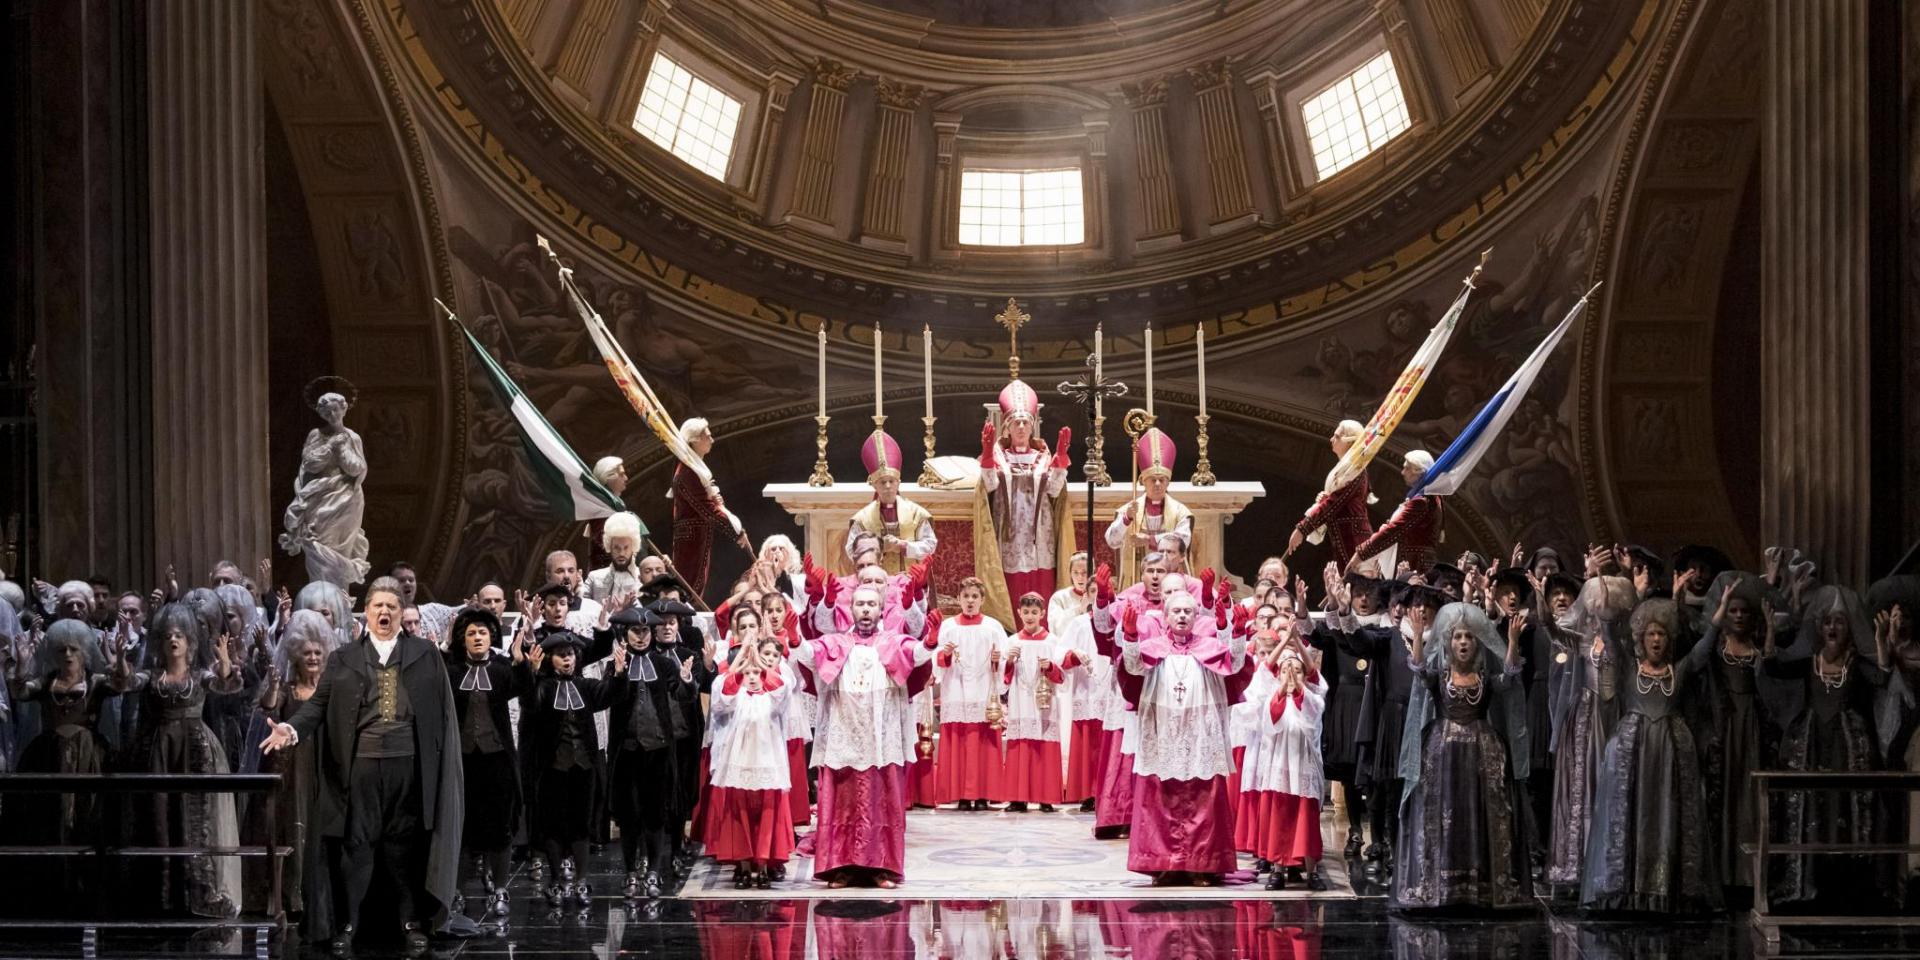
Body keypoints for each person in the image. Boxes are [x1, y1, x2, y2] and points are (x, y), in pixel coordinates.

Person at [259, 579, 466, 955]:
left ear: (402, 613)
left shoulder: (424, 654)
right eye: (377, 607)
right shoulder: (344, 657)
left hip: (408, 765)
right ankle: (348, 923)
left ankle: (410, 922)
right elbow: (319, 705)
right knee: (357, 845)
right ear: (366, 613)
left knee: (403, 847)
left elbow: (441, 715)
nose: (384, 612)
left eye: (391, 606)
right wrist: (291, 728)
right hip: (361, 767)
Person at [1580, 598, 1721, 913]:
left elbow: (1701, 653)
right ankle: (1625, 889)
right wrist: (1605, 619)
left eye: (1662, 634)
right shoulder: (1630, 668)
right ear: (1641, 639)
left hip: (1671, 750)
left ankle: (1666, 887)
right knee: (1630, 812)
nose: (1656, 640)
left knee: (1666, 812)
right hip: (1633, 750)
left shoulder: (1678, 669)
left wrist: (1716, 620)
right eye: (1651, 634)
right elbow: (1613, 645)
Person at [1763, 585, 1899, 909]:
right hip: (1812, 745)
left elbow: (1881, 679)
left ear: (1849, 627)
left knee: (1847, 809)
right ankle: (1809, 883)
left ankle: (1848, 886)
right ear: (1819, 628)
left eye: (1839, 621)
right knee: (1812, 808)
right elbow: (1773, 667)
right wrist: (1769, 632)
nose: (1833, 628)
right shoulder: (1810, 661)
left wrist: (1881, 643)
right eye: (1827, 622)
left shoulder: (1855, 663)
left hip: (1848, 746)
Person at [790, 584, 932, 888]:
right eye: (860, 604)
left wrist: (931, 640)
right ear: (851, 609)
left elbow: (918, 655)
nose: (865, 609)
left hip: (881, 738)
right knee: (842, 803)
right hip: (843, 735)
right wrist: (793, 637)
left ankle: (883, 868)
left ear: (881, 610)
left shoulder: (894, 642)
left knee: (882, 803)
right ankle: (840, 867)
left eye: (871, 604)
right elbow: (808, 654)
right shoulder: (836, 642)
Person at [1392, 602, 1532, 911]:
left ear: (1478, 643)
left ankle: (1479, 885)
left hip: (1482, 754)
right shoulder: (1440, 676)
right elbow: (1419, 672)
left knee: (1478, 813)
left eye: (1469, 636)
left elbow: (1508, 680)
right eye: (1457, 637)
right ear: (1448, 642)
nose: (1463, 642)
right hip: (1443, 755)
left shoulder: (1484, 679)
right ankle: (1442, 884)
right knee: (1446, 814)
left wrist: (1511, 644)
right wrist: (1418, 637)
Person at [112, 603, 245, 919]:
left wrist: (226, 662)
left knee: (197, 816)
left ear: (189, 642)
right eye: (168, 636)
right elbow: (127, 682)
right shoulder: (154, 675)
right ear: (160, 642)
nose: (174, 640)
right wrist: (119, 659)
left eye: (179, 636)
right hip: (159, 751)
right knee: (160, 812)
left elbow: (225, 684)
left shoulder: (199, 675)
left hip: (196, 750)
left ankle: (197, 889)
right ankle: (163, 892)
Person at [1112, 585, 1248, 885]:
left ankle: (1202, 864)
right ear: (1165, 616)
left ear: (1197, 615)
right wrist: (1132, 635)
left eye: (1188, 611)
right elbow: (1133, 666)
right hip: (1163, 731)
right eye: (1176, 611)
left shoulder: (1209, 646)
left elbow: (1235, 665)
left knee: (1202, 798)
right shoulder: (1154, 646)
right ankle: (1164, 864)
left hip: (1201, 731)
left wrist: (1236, 634)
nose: (1183, 615)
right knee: (1162, 797)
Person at [516, 623, 623, 912]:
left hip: (584, 765)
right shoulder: (543, 686)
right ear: (550, 659)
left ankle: (581, 879)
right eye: (561, 655)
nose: (567, 659)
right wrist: (532, 672)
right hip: (552, 767)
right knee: (553, 825)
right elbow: (529, 704)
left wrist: (618, 673)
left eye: (570, 654)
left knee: (581, 825)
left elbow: (607, 695)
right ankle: (555, 879)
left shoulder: (584, 686)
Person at [246, 610, 338, 917]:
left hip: (323, 765)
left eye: (317, 653)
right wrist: (272, 689)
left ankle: (321, 897)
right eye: (306, 653)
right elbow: (270, 707)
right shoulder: (287, 688)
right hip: (290, 770)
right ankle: (290, 897)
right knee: (290, 828)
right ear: (296, 657)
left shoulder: (331, 689)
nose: (312, 658)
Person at [603, 607, 694, 900]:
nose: (641, 637)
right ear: (625, 635)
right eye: (635, 632)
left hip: (657, 750)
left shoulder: (663, 663)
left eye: (644, 632)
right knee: (630, 817)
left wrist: (687, 680)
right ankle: (631, 871)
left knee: (655, 815)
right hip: (627, 751)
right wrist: (618, 675)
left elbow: (681, 695)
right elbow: (609, 697)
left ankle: (654, 870)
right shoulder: (615, 664)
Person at [442, 608, 523, 922]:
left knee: (499, 827)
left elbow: (523, 688)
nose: (477, 638)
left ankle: (500, 888)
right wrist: (446, 646)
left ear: (492, 637)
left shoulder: (502, 669)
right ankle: (457, 893)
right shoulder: (453, 670)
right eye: (471, 633)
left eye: (483, 632)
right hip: (463, 761)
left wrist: (520, 661)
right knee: (463, 829)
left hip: (497, 758)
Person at [706, 635, 795, 889]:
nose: (753, 676)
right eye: (749, 672)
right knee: (740, 815)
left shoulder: (773, 697)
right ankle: (744, 867)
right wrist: (738, 665)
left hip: (767, 765)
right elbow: (721, 696)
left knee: (767, 816)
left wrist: (761, 664)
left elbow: (782, 688)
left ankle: (764, 865)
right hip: (740, 765)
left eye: (757, 672)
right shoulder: (738, 696)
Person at [1243, 639, 1331, 891]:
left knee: (1306, 820)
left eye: (1296, 670)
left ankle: (1311, 871)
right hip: (1280, 768)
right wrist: (1282, 688)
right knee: (1279, 820)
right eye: (1284, 670)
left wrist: (1300, 682)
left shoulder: (1313, 698)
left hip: (1303, 766)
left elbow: (1310, 717)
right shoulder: (1273, 697)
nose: (1290, 675)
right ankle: (1278, 870)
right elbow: (1271, 720)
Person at [977, 379, 1072, 605]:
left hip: (1039, 533)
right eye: (1016, 422)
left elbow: (1054, 490)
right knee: (1013, 584)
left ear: (1032, 427)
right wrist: (988, 455)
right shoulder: (1000, 456)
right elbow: (989, 487)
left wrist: (1060, 460)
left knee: (1041, 580)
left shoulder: (1043, 457)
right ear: (1007, 427)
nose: (1021, 427)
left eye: (1025, 423)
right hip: (1009, 533)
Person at [279, 380, 371, 587]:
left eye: (335, 411)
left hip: (347, 498)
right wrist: (330, 446)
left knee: (342, 547)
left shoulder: (352, 438)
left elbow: (357, 469)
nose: (332, 416)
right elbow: (310, 464)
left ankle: (340, 596)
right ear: (321, 414)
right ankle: (321, 594)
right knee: (316, 543)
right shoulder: (316, 435)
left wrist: (342, 449)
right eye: (327, 413)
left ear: (343, 409)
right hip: (319, 498)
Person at [931, 578, 1008, 810]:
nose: (970, 601)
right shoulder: (948, 627)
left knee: (984, 743)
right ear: (958, 599)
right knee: (959, 742)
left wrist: (998, 660)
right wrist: (944, 655)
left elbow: (1004, 660)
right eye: (966, 596)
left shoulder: (993, 627)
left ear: (982, 600)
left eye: (975, 596)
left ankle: (984, 794)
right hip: (956, 689)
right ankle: (962, 795)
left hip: (984, 689)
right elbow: (936, 660)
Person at [999, 592, 1077, 812]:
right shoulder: (1012, 642)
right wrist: (1009, 661)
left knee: (1044, 745)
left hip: (1044, 704)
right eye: (1026, 612)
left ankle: (1045, 797)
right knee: (1020, 745)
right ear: (1019, 613)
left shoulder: (1053, 641)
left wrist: (1050, 667)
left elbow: (1063, 677)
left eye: (1034, 612)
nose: (1030, 616)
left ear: (1042, 614)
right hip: (1020, 701)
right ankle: (1017, 797)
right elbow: (1002, 682)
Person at [670, 418, 750, 598]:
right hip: (690, 541)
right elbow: (707, 510)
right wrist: (736, 532)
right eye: (708, 436)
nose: (712, 440)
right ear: (695, 440)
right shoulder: (687, 473)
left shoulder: (695, 468)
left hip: (697, 537)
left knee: (695, 588)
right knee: (689, 589)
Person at [1105, 428, 1191, 587]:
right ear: (1143, 481)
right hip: (1136, 579)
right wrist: (1126, 519)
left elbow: (1183, 540)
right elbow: (1112, 540)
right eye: (1152, 479)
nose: (1157, 484)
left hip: (1171, 583)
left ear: (1168, 482)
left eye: (1162, 479)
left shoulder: (1180, 512)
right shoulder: (1129, 510)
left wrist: (1150, 540)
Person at [849, 427, 937, 576]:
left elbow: (930, 545)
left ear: (898, 482)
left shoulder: (917, 514)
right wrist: (880, 547)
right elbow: (852, 550)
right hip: (874, 585)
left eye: (891, 481)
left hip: (911, 582)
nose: (888, 486)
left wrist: (902, 546)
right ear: (874, 485)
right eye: (882, 482)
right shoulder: (862, 519)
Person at [1287, 420, 1375, 567]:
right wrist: (1324, 499)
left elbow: (1334, 502)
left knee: (1356, 583)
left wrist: (1302, 529)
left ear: (1349, 442)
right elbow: (1333, 500)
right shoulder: (1345, 468)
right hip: (1343, 537)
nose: (1331, 439)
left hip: (1355, 539)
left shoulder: (1355, 470)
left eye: (1337, 436)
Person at [1350, 450, 1443, 574]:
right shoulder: (1429, 497)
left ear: (1418, 471)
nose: (1402, 472)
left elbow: (1393, 530)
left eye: (1407, 469)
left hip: (1414, 566)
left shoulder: (1422, 501)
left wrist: (1361, 554)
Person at [585, 512, 648, 601]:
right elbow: (582, 609)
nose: (621, 553)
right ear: (609, 547)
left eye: (626, 548)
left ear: (633, 547)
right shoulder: (594, 578)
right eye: (616, 548)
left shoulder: (644, 579)